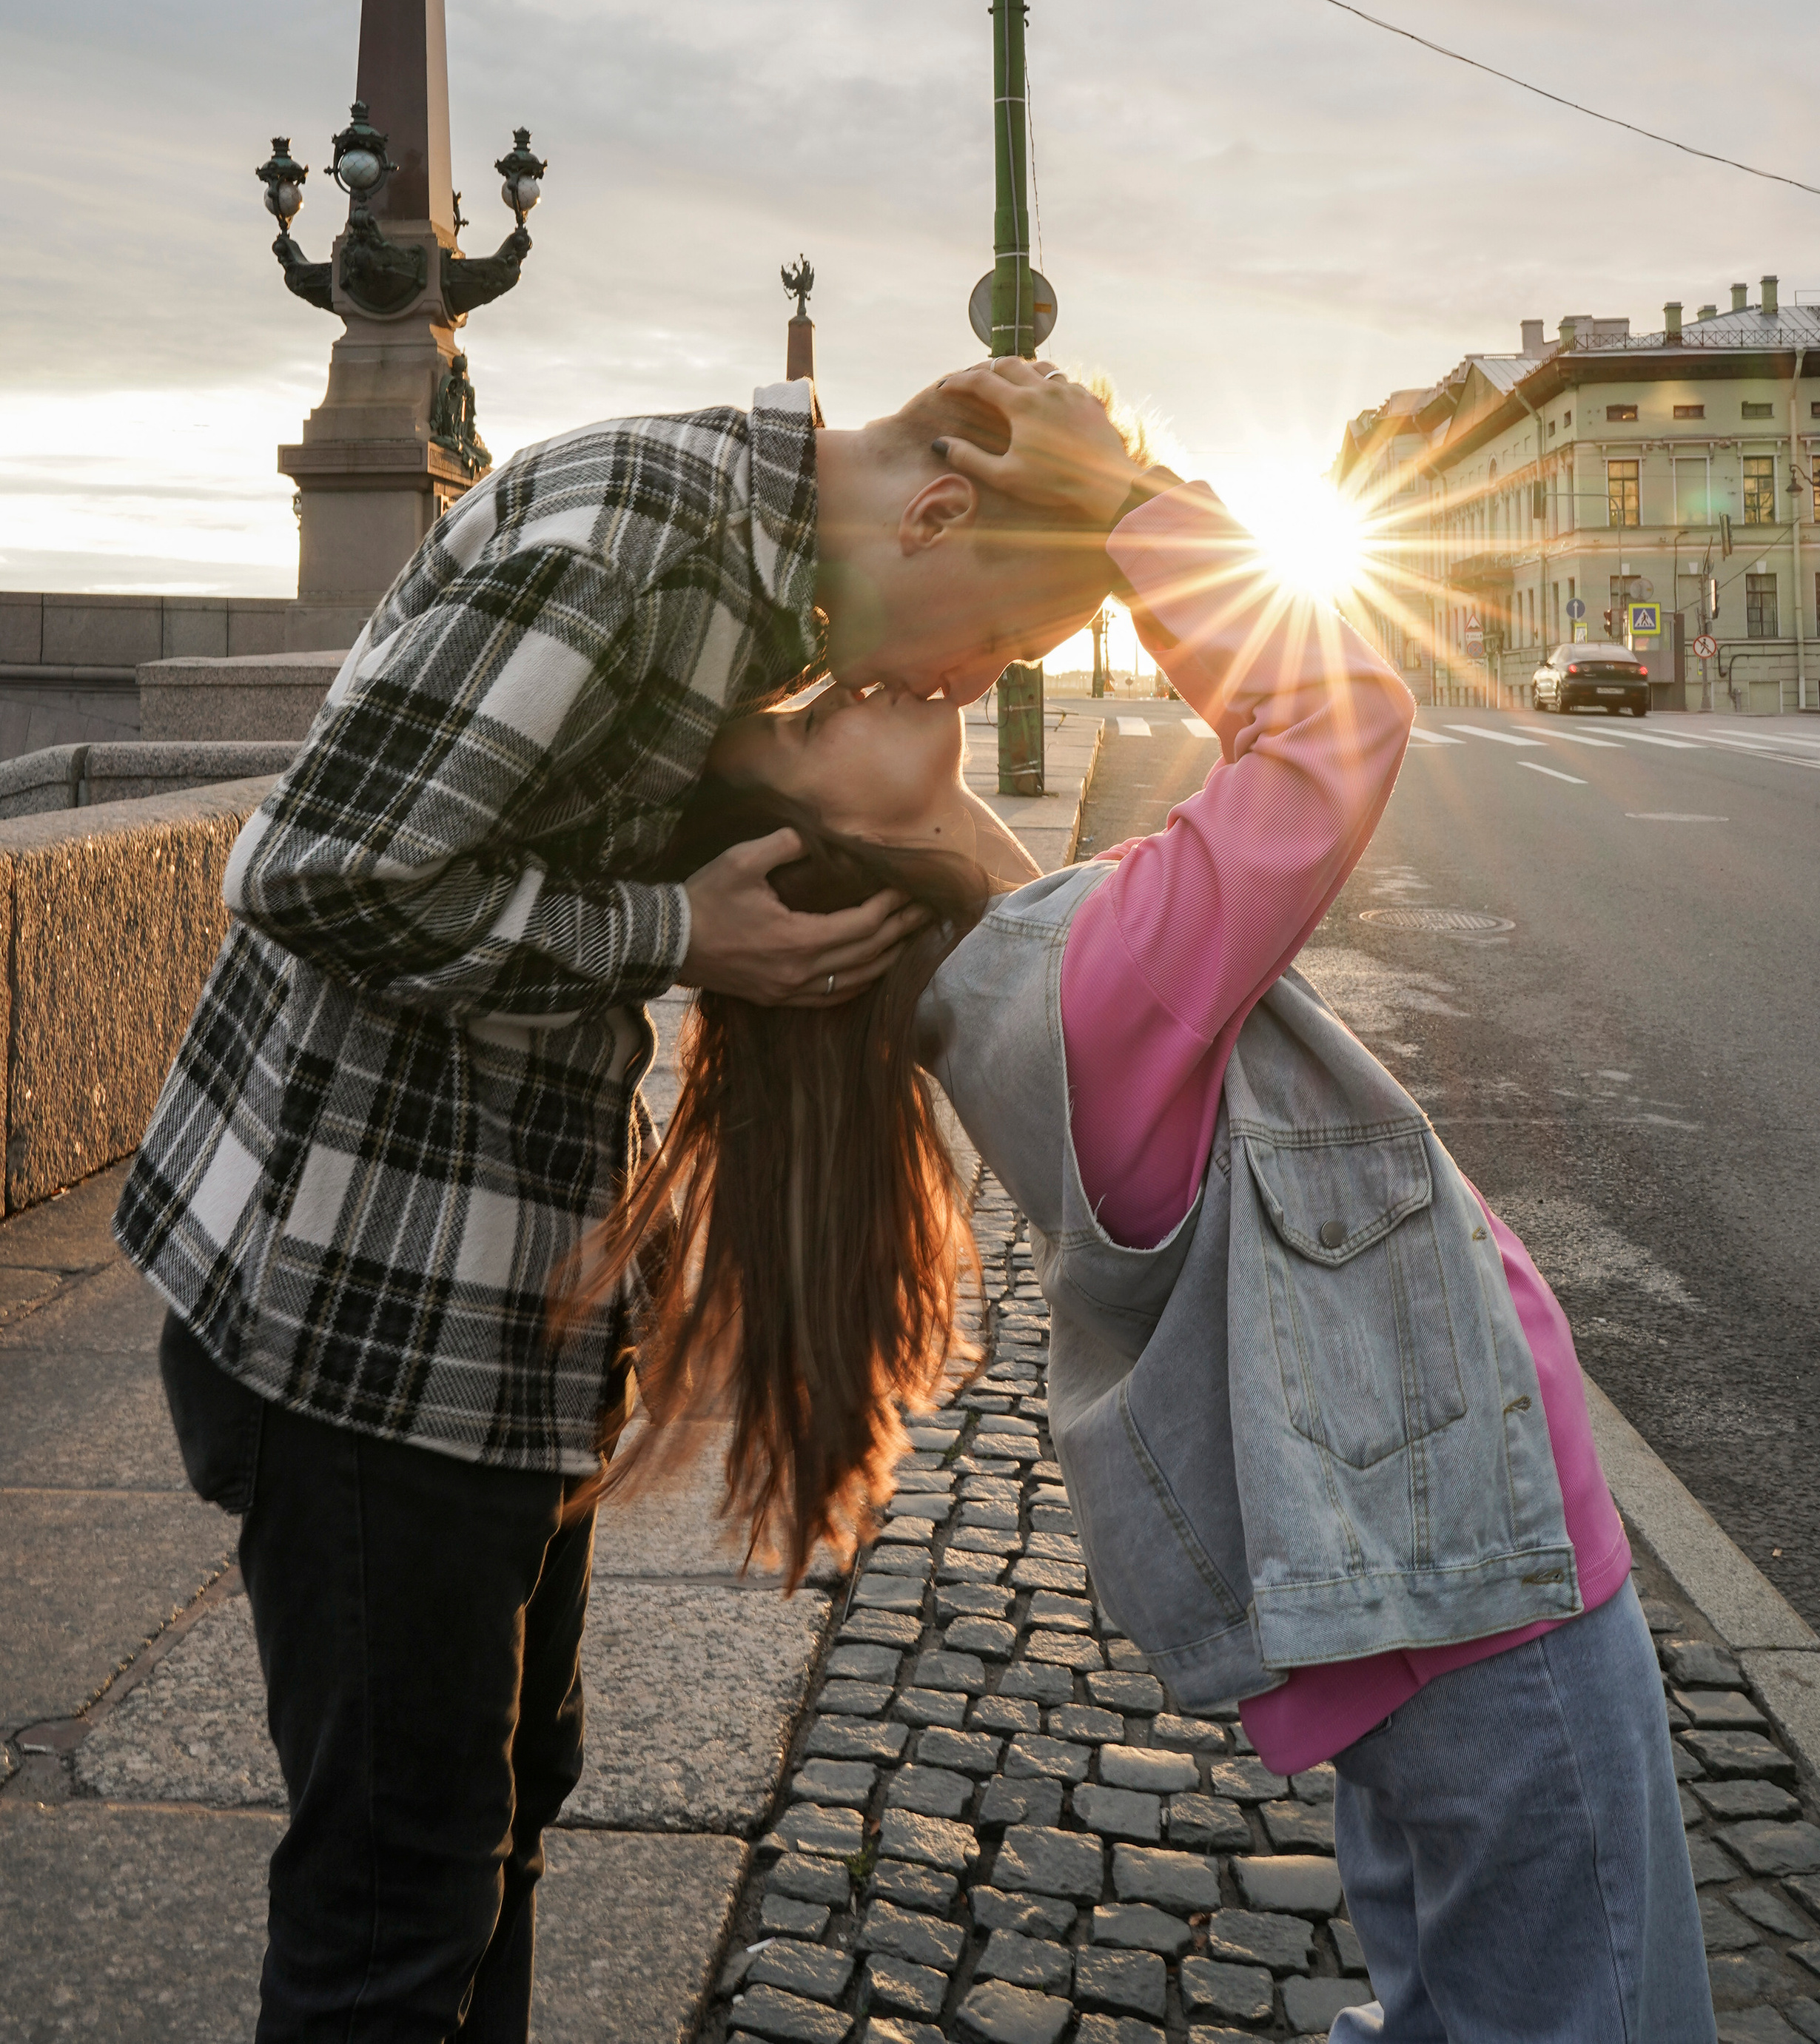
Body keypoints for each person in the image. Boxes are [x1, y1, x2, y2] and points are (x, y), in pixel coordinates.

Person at [611, 366, 1714, 2044]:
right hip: (1480, 1588)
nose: (845, 679)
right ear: (809, 856)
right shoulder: (1082, 996)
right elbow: (1332, 717)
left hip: (1413, 1590)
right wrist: (1127, 505)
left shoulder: (1032, 979)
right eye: (806, 718)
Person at [114, 362, 1119, 2044]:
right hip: (366, 1316)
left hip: (493, 1308)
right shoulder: (640, 537)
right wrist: (675, 935)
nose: (962, 681)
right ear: (935, 514)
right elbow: (312, 870)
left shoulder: (741, 584)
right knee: (396, 1906)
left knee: (500, 1815)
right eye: (1004, 645)